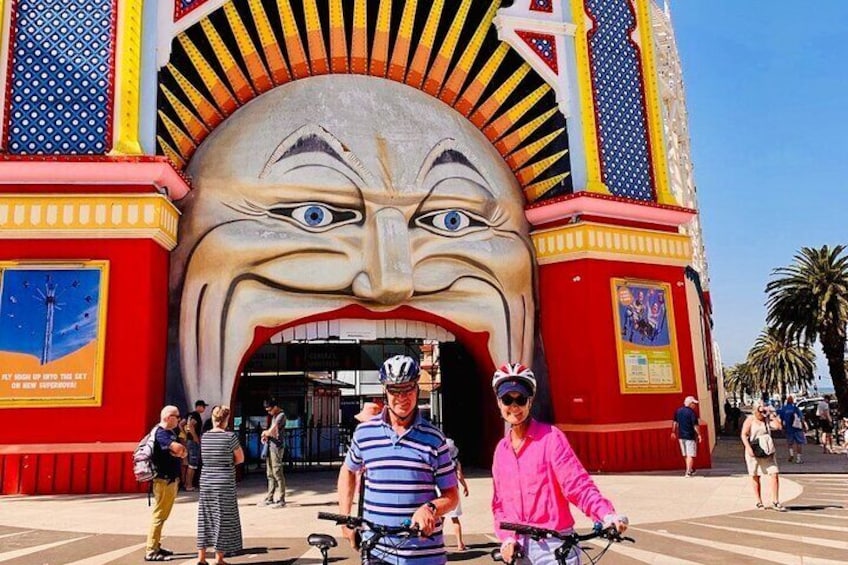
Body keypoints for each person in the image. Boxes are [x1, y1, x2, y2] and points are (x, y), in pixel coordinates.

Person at [490, 363, 628, 564]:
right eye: (507, 399)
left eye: (520, 399)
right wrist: (507, 539)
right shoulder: (501, 451)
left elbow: (577, 485)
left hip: (554, 548)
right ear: (498, 402)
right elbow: (499, 505)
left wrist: (606, 515)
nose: (514, 406)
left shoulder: (551, 438)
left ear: (530, 401)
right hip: (517, 551)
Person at [337, 354, 459, 564]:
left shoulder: (435, 438)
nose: (402, 396)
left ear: (417, 389)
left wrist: (430, 509)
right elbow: (347, 470)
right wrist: (345, 518)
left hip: (423, 554)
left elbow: (451, 495)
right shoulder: (364, 433)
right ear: (385, 391)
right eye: (394, 389)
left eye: (408, 388)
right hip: (376, 550)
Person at [197, 405, 244, 565]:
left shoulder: (205, 437)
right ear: (226, 419)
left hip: (206, 479)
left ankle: (201, 558)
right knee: (222, 518)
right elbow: (240, 458)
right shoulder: (230, 437)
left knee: (205, 517)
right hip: (224, 480)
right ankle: (219, 558)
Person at [145, 405, 187, 561]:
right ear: (169, 417)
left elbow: (182, 451)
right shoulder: (162, 433)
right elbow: (180, 449)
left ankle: (156, 545)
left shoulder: (168, 432)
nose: (179, 419)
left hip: (168, 479)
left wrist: (180, 451)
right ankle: (151, 550)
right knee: (159, 515)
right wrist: (179, 451)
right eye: (177, 416)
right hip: (164, 480)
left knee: (162, 515)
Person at [741, 400, 786, 511]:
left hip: (767, 450)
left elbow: (778, 427)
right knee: (755, 475)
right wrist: (748, 447)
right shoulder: (750, 420)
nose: (761, 413)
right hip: (754, 450)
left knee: (774, 473)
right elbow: (744, 434)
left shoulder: (767, 419)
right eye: (760, 410)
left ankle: (775, 501)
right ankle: (758, 501)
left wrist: (771, 415)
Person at [259, 398, 287, 507]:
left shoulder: (281, 416)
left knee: (277, 472)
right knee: (270, 473)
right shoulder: (274, 417)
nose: (269, 412)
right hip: (271, 445)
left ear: (275, 407)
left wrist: (265, 433)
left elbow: (272, 430)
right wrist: (266, 436)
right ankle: (270, 497)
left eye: (270, 410)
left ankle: (281, 498)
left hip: (277, 447)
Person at [444, 437, 469, 551]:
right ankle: (460, 544)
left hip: (440, 491)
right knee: (455, 518)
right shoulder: (455, 462)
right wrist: (465, 486)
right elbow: (460, 476)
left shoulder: (440, 461)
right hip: (453, 491)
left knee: (440, 519)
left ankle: (439, 542)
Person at [671, 396, 701, 476]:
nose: (695, 405)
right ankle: (688, 472)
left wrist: (673, 432)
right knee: (690, 454)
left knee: (685, 454)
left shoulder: (678, 411)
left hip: (681, 436)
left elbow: (675, 422)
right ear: (690, 403)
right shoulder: (692, 413)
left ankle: (690, 468)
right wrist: (699, 434)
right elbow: (695, 425)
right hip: (690, 436)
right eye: (694, 403)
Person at [186, 400, 208, 491]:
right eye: (203, 406)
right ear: (199, 406)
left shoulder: (190, 415)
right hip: (193, 441)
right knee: (193, 464)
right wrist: (195, 438)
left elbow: (183, 424)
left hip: (189, 440)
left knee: (192, 464)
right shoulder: (196, 415)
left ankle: (188, 483)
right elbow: (191, 426)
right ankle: (189, 485)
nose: (204, 409)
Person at [779, 395, 806, 463]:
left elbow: (781, 419)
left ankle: (791, 454)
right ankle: (798, 459)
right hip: (797, 428)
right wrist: (804, 426)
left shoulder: (784, 408)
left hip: (789, 428)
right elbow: (801, 418)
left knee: (790, 443)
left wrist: (782, 427)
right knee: (799, 443)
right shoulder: (795, 408)